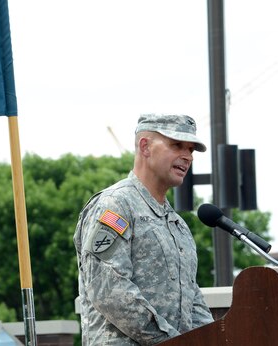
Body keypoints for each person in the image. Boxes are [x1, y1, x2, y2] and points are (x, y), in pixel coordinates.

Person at [73, 113, 214, 345]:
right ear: (145, 146)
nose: (187, 156)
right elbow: (109, 290)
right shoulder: (116, 206)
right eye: (176, 145)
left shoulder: (177, 225)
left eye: (190, 150)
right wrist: (171, 341)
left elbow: (192, 299)